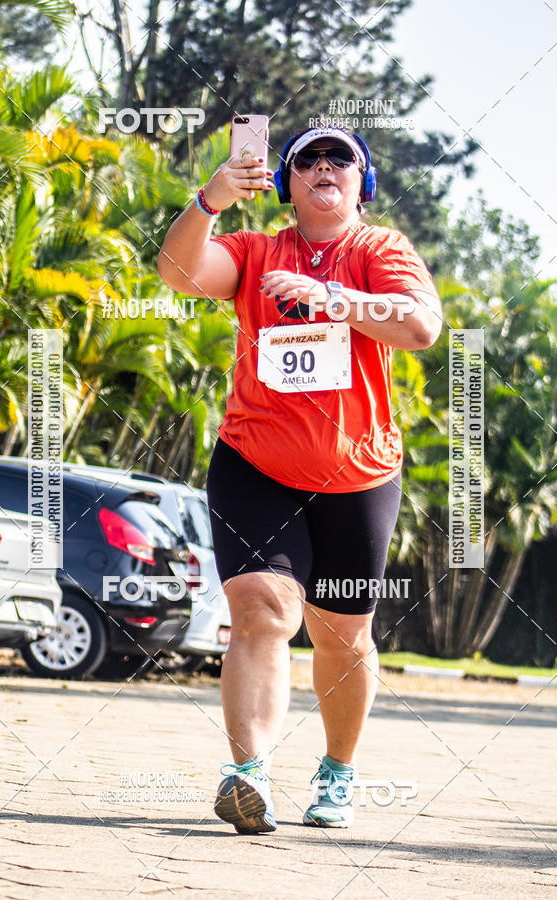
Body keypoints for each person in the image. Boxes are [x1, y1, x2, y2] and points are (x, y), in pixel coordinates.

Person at [157, 126, 442, 833]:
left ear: (360, 180)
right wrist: (211, 198)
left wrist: (331, 297)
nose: (323, 166)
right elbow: (179, 272)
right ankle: (248, 775)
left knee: (343, 638)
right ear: (286, 182)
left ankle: (337, 774)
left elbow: (420, 326)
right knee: (262, 611)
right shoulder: (255, 252)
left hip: (359, 473)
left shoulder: (381, 250)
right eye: (306, 159)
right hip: (256, 463)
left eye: (339, 157)